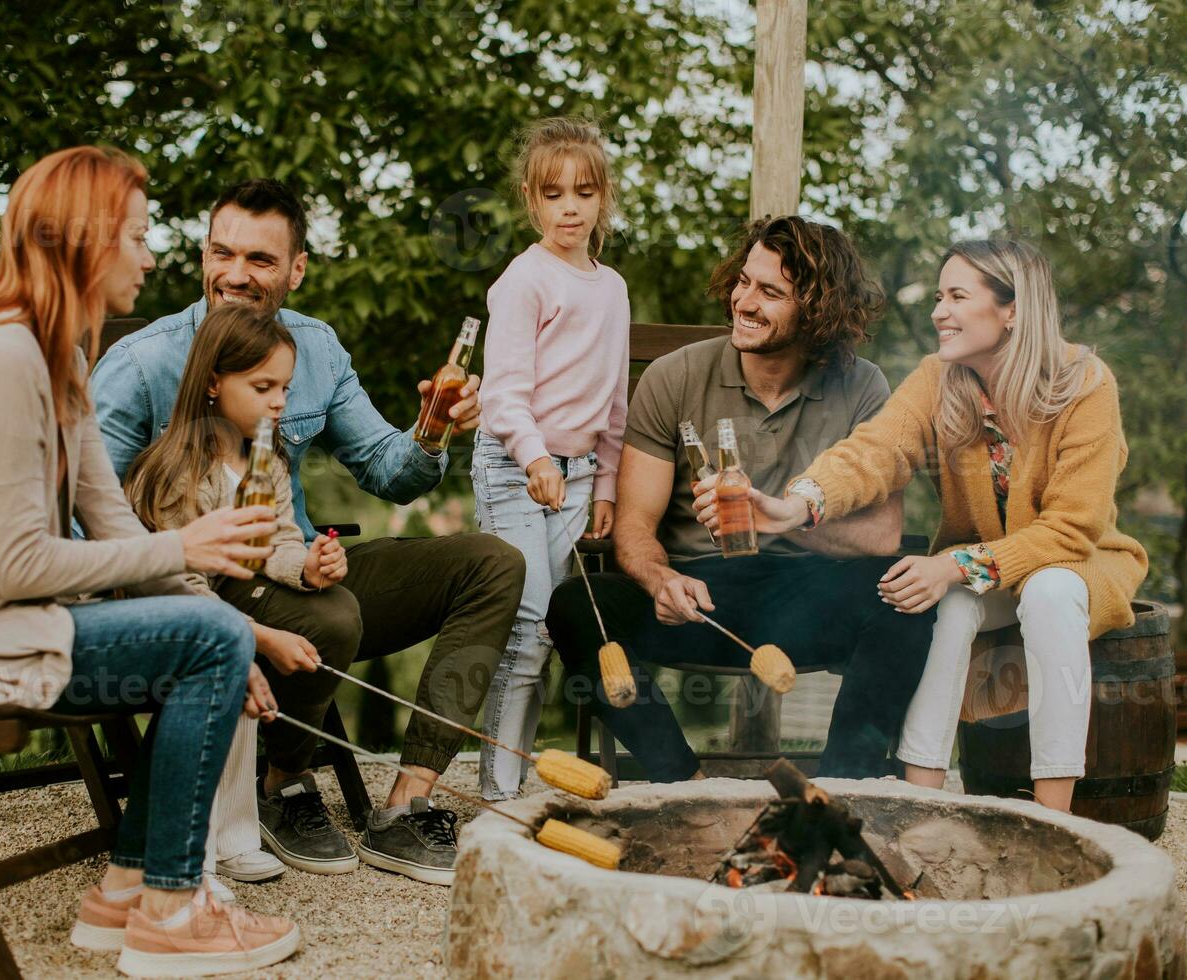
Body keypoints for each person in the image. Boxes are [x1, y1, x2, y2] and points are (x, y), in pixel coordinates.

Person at [0, 146, 301, 975]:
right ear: (86, 243)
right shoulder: (1, 357)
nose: (153, 256)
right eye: (138, 235)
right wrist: (193, 564)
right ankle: (170, 912)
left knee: (212, 633)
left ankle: (125, 892)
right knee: (208, 640)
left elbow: (113, 523)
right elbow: (17, 565)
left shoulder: (58, 358)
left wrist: (237, 628)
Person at [90, 179, 524, 886]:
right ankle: (285, 785)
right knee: (333, 613)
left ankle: (408, 806)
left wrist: (434, 427)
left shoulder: (315, 348)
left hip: (293, 570)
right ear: (202, 253)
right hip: (190, 591)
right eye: (221, 252)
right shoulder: (143, 364)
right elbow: (89, 519)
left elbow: (392, 473)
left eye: (260, 259)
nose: (235, 273)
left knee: (493, 563)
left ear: (296, 270)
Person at [723, 239, 1148, 811]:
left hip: (1079, 563)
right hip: (984, 565)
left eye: (956, 296)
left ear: (1013, 310)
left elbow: (1071, 530)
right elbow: (873, 452)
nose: (938, 311)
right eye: (939, 295)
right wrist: (795, 504)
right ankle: (918, 803)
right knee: (942, 605)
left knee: (1047, 591)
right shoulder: (939, 377)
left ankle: (1056, 816)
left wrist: (950, 564)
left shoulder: (1085, 384)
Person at [546, 216, 935, 781]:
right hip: (697, 594)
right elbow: (633, 524)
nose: (743, 301)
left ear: (818, 311)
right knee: (579, 607)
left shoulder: (862, 386)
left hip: (811, 590)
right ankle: (683, 783)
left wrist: (777, 520)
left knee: (908, 599)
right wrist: (660, 581)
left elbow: (881, 536)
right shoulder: (675, 376)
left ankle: (842, 788)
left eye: (770, 292)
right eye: (743, 282)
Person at [122, 303, 358, 890]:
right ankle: (195, 847)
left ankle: (234, 834)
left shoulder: (266, 461)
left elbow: (274, 543)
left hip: (230, 600)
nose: (279, 401)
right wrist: (263, 635)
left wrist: (308, 565)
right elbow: (178, 581)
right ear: (212, 383)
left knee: (239, 650)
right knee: (230, 654)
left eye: (284, 387)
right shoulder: (177, 470)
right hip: (166, 610)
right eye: (262, 387)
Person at [471, 117, 631, 800]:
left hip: (580, 474)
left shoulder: (612, 287)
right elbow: (504, 394)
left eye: (584, 192)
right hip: (516, 468)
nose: (570, 207)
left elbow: (616, 399)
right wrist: (535, 457)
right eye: (554, 193)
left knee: (541, 631)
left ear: (604, 199)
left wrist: (608, 483)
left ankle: (517, 768)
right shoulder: (523, 280)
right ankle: (497, 789)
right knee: (527, 624)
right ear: (532, 202)